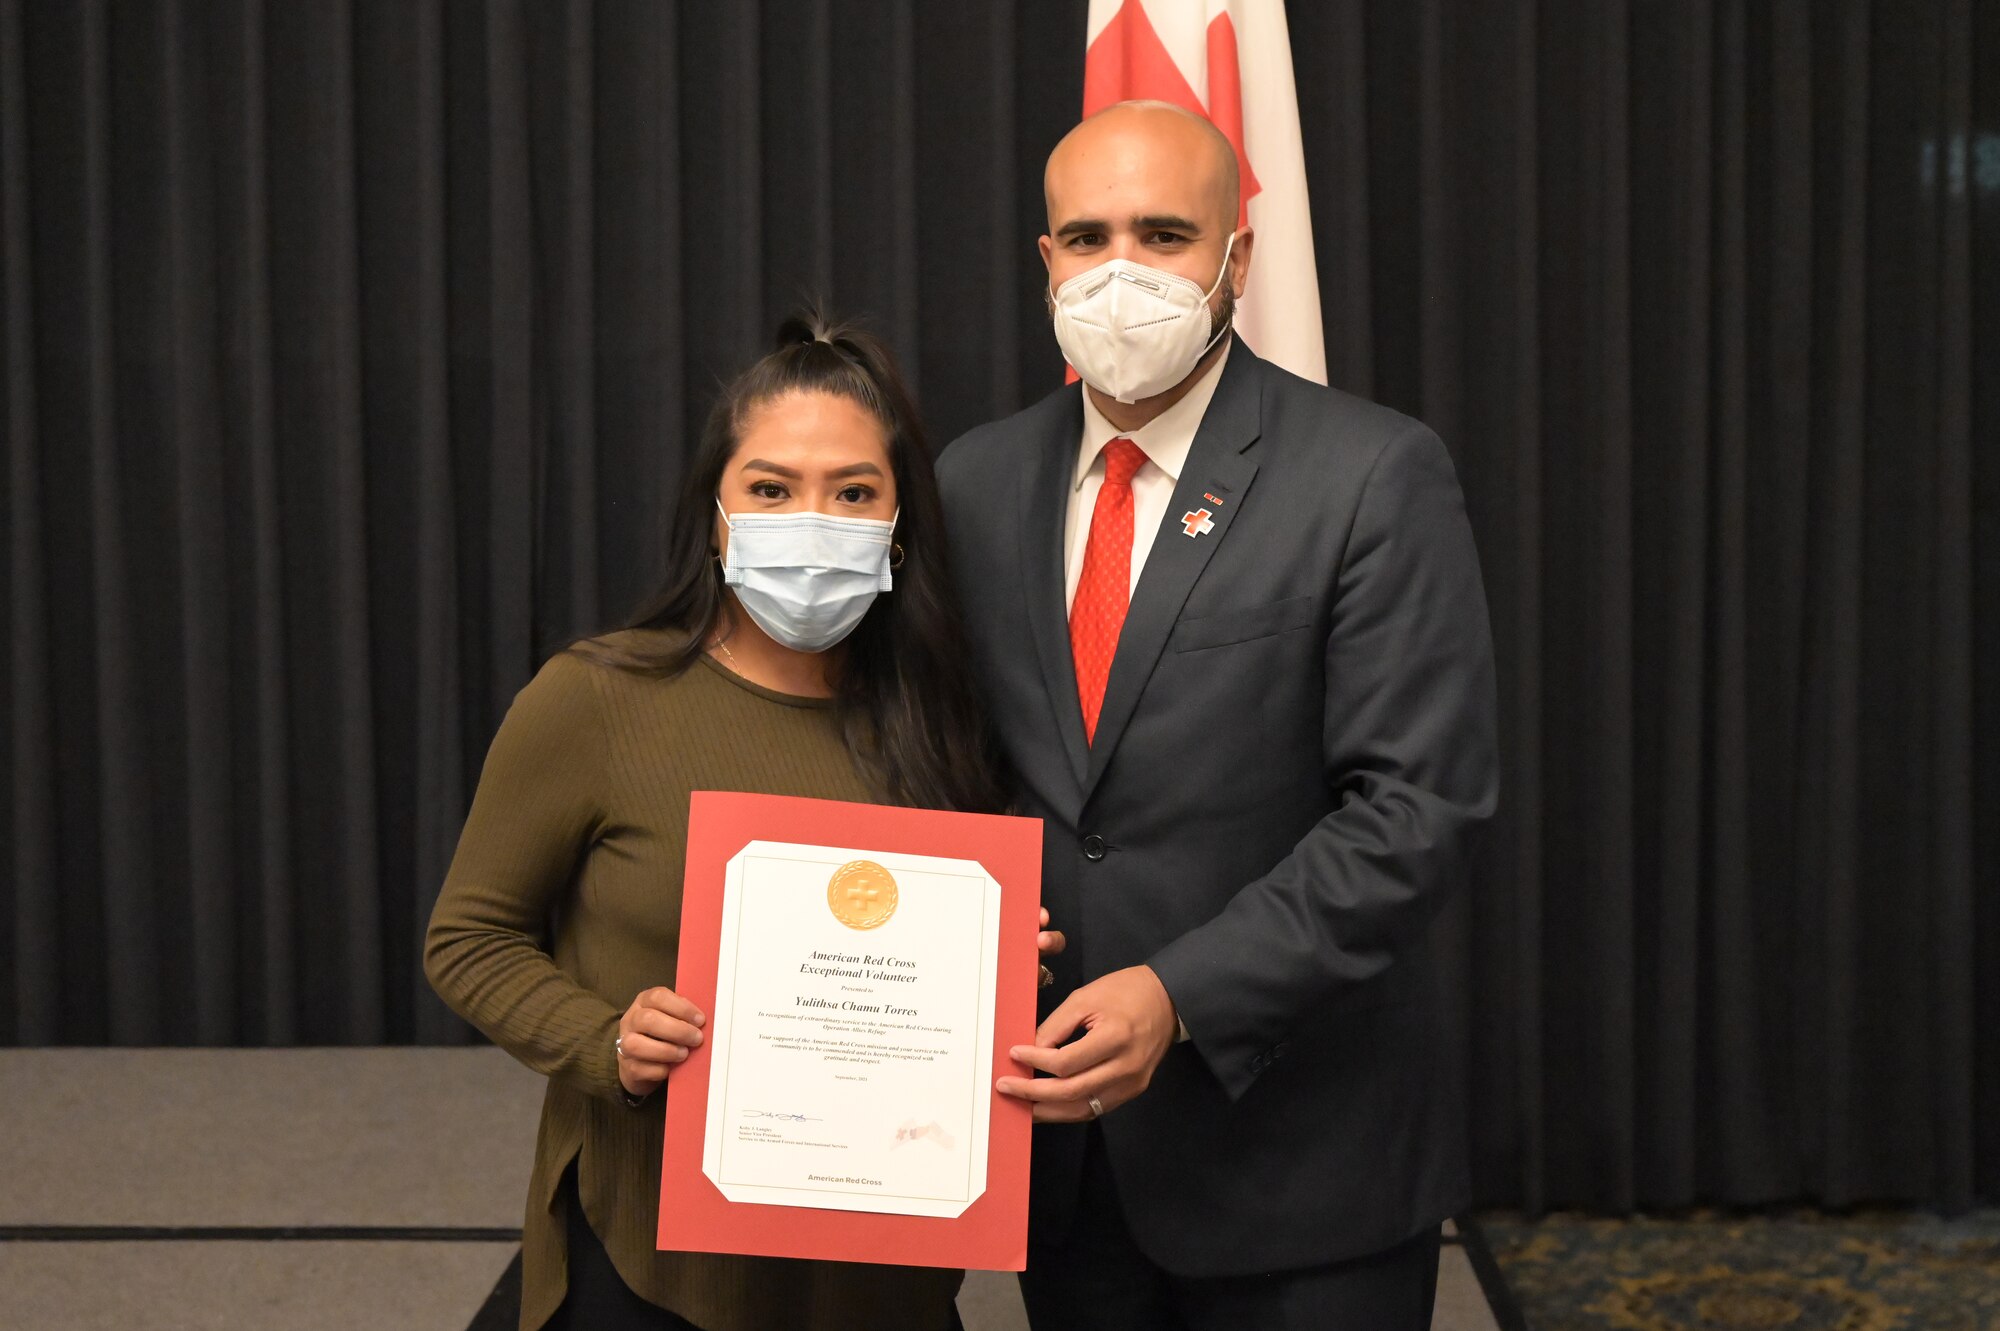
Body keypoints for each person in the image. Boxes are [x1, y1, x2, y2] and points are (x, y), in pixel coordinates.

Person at [935, 101, 1500, 1329]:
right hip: (1064, 1164)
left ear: (1236, 260)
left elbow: (1416, 807)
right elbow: (952, 772)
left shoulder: (1368, 473)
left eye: (1163, 234)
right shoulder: (970, 483)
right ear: (1044, 263)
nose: (1119, 272)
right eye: (1085, 238)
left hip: (1301, 1162)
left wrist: (1179, 990)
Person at [426, 310, 1063, 1331]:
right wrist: (606, 1039)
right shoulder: (597, 697)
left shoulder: (946, 716)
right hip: (654, 1269)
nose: (811, 520)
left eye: (853, 491)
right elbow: (467, 939)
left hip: (882, 1276)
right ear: (715, 511)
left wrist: (993, 982)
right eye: (770, 488)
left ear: (900, 520)